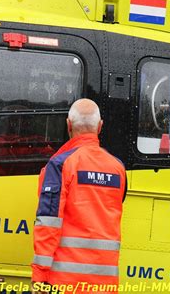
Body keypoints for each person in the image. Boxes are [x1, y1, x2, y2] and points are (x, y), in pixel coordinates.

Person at [31, 98, 127, 294]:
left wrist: (39, 276)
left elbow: (48, 223)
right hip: (105, 285)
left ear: (68, 125)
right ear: (100, 127)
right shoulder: (118, 168)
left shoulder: (60, 164)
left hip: (64, 283)